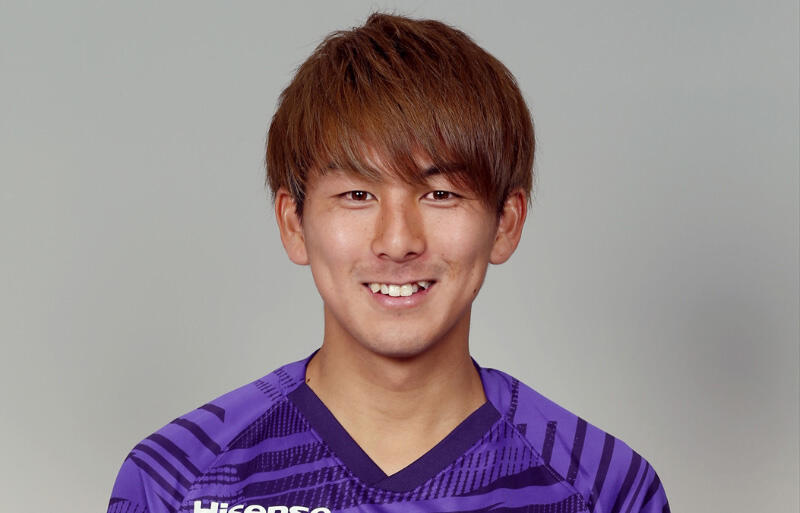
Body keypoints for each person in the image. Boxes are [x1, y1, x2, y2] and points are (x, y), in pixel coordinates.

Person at [108, 12, 670, 513]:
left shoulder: (603, 489)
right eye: (357, 195)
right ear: (293, 223)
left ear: (506, 222)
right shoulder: (176, 480)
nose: (398, 241)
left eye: (440, 194)